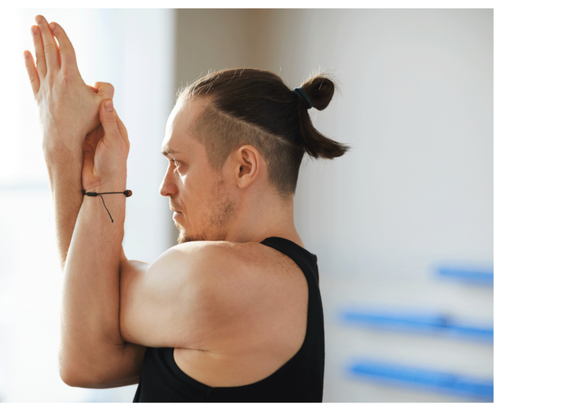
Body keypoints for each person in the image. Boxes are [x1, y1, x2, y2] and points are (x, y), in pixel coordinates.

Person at [23, 15, 348, 402]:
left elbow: (81, 353)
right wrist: (81, 166)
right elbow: (96, 353)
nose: (165, 186)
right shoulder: (269, 283)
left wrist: (62, 151)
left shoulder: (221, 278)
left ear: (244, 167)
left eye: (179, 164)